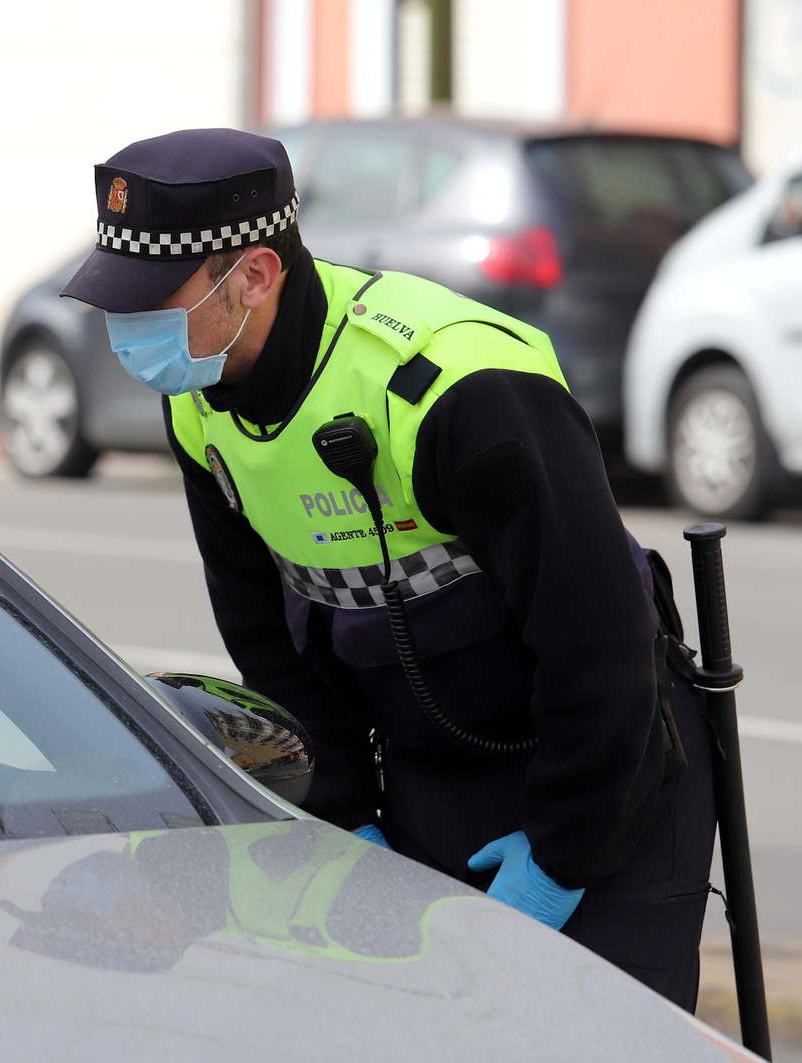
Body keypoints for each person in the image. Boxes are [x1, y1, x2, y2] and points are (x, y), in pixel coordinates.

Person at [60, 128, 715, 1009]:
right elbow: (262, 634)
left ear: (253, 276)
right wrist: (342, 812)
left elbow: (600, 644)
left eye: (151, 302)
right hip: (423, 769)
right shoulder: (202, 410)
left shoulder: (460, 387)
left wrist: (560, 857)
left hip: (603, 767)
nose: (125, 331)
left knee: (587, 1030)